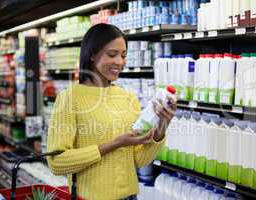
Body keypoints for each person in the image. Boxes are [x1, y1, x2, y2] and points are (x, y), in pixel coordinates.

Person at [47, 23, 177, 200]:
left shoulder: (128, 97)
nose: (120, 62)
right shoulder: (70, 98)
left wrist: (162, 126)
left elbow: (139, 160)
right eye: (112, 54)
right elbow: (57, 162)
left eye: (123, 55)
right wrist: (114, 144)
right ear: (92, 54)